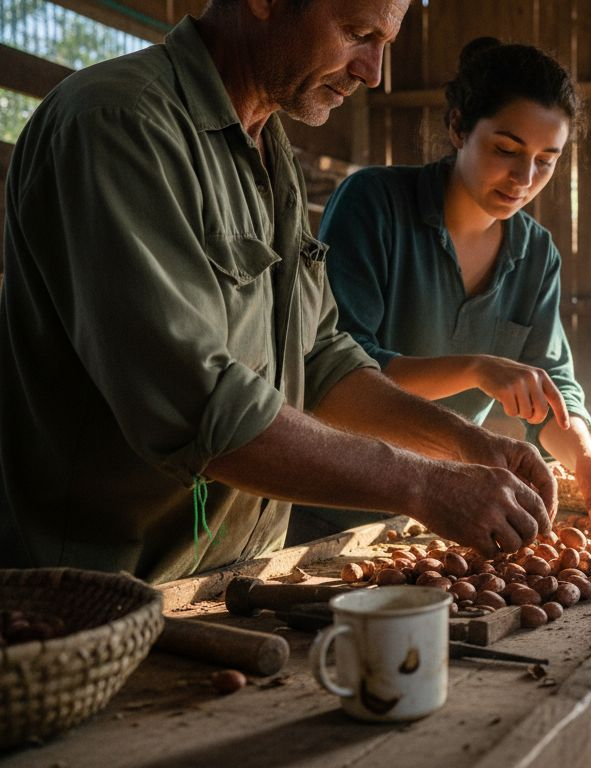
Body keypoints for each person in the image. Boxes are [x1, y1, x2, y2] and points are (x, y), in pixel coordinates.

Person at [0, 0, 557, 585]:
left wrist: (464, 443)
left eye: (384, 44)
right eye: (357, 33)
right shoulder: (120, 122)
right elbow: (199, 406)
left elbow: (319, 359)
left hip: (231, 577)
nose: (372, 72)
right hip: (93, 594)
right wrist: (422, 484)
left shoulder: (266, 147)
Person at [296, 38, 591, 539]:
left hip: (443, 516)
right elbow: (337, 371)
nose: (524, 178)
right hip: (332, 507)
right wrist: (477, 369)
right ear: (458, 127)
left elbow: (553, 388)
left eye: (546, 160)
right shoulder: (373, 205)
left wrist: (585, 456)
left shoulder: (536, 254)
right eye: (506, 150)